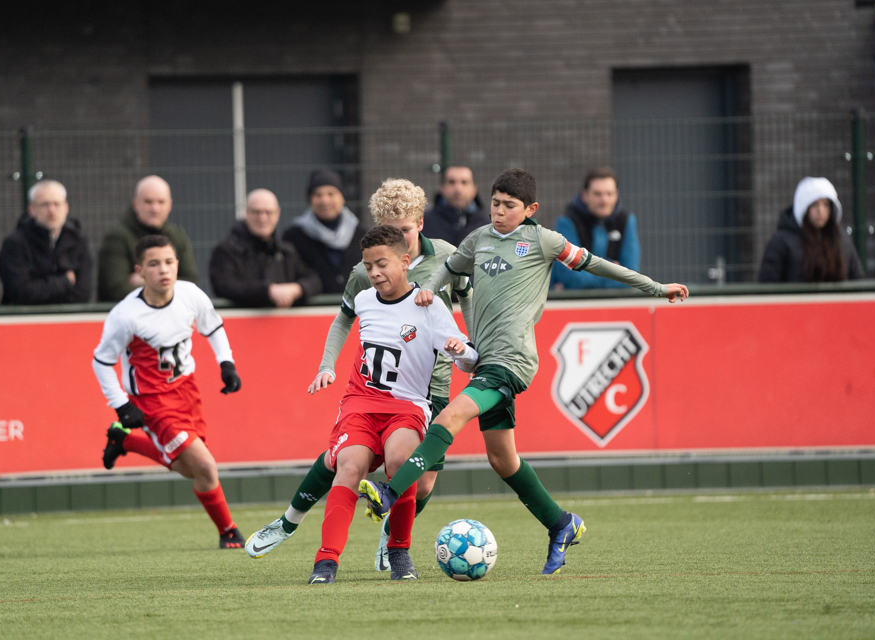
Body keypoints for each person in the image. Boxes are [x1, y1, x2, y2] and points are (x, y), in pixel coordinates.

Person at [360, 168, 689, 575]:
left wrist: (655, 288)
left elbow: (598, 265)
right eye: (495, 203)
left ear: (530, 209)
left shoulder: (544, 241)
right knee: (503, 460)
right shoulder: (478, 239)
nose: (499, 211)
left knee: (448, 418)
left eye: (509, 206)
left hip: (511, 360)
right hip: (485, 360)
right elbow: (449, 268)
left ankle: (389, 492)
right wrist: (429, 286)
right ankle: (561, 523)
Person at [244, 178, 473, 572]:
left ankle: (392, 535)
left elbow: (467, 297)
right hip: (374, 393)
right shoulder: (366, 273)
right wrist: (327, 365)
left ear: (420, 223)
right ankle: (290, 522)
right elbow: (343, 319)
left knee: (421, 482)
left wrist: (467, 347)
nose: (396, 237)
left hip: (430, 386)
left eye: (404, 229)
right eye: (387, 229)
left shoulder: (448, 257)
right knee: (343, 460)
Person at [293, 224, 479, 583]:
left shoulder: (428, 305)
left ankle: (399, 552)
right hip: (360, 404)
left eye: (382, 264)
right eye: (368, 266)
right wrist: (327, 367)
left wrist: (461, 351)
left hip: (408, 406)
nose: (375, 273)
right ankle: (326, 561)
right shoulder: (364, 301)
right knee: (350, 468)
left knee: (400, 461)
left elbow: (469, 359)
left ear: (405, 262)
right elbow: (343, 323)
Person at [92, 235, 246, 549]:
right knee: (205, 467)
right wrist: (121, 405)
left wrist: (227, 363)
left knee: (190, 470)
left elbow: (213, 327)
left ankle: (124, 440)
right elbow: (101, 362)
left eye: (168, 262)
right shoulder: (126, 315)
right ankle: (228, 531)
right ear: (139, 271)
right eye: (153, 264)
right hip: (152, 402)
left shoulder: (190, 294)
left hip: (187, 392)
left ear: (177, 263)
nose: (163, 269)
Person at [209, 188, 322, 307]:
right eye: (256, 212)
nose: (262, 218)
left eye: (268, 212)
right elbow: (224, 286)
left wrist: (297, 289)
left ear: (277, 214)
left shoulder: (287, 251)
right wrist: (267, 292)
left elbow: (314, 281)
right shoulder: (227, 251)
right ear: (246, 213)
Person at [97, 175, 199, 302]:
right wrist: (166, 283)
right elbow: (116, 290)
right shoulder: (116, 238)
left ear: (170, 205)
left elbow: (191, 282)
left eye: (161, 202)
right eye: (148, 202)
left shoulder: (177, 236)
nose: (154, 208)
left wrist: (147, 281)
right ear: (136, 204)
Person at [0, 179, 92, 305]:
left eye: (56, 204)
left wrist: (42, 290)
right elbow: (20, 293)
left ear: (66, 207)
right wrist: (65, 282)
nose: (51, 210)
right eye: (45, 204)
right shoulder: (15, 244)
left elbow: (83, 293)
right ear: (32, 209)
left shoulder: (78, 241)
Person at [758, 176, 864, 283]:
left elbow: (857, 277)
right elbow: (768, 282)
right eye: (814, 205)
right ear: (803, 208)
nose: (820, 210)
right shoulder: (782, 241)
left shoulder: (841, 240)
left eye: (826, 205)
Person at [550, 166, 641, 290]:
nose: (604, 200)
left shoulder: (626, 221)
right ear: (584, 195)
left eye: (609, 194)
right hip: (574, 301)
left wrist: (586, 271)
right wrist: (613, 271)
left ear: (616, 195)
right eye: (597, 194)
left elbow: (632, 277)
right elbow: (571, 279)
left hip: (614, 301)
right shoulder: (567, 223)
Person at [283, 169, 369, 294]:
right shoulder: (294, 236)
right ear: (310, 200)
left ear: (342, 198)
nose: (325, 200)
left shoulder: (362, 235)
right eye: (318, 195)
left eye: (331, 194)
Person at [422, 166, 489, 246]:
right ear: (442, 188)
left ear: (474, 190)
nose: (458, 189)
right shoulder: (425, 224)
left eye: (464, 182)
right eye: (451, 182)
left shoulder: (487, 227)